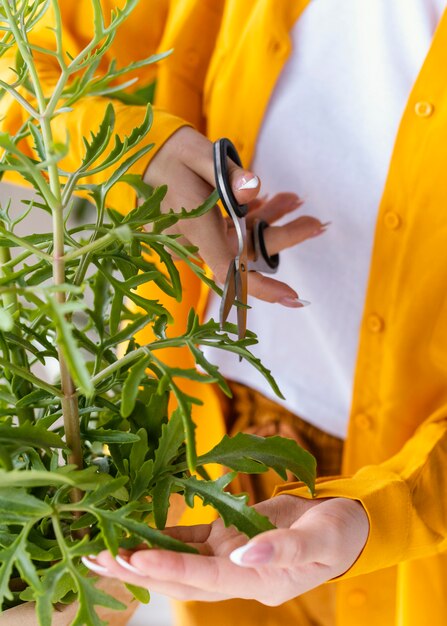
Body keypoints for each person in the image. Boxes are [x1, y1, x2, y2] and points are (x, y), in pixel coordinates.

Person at [2, 1, 447, 625]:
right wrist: (133, 151)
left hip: (415, 518)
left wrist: (388, 509)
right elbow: (24, 70)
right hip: (209, 455)